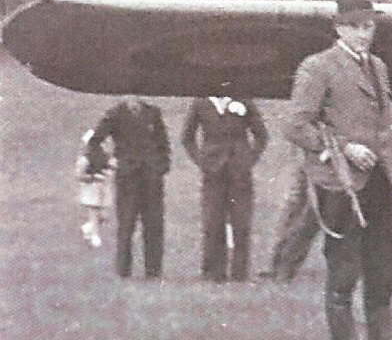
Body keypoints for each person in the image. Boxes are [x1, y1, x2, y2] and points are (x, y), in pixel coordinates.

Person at [285, 0, 392, 340]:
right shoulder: (317, 67)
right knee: (344, 267)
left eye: (369, 26)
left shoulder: (378, 68)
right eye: (355, 26)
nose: (364, 33)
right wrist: (342, 149)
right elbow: (297, 124)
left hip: (378, 181)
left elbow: (386, 129)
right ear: (339, 28)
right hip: (341, 184)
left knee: (386, 266)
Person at [180, 90, 269, 282]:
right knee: (212, 223)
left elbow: (262, 136)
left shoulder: (244, 100)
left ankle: (239, 274)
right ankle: (213, 273)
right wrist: (201, 161)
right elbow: (187, 138)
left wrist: (248, 160)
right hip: (213, 174)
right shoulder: (201, 102)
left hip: (240, 174)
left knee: (241, 224)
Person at [87, 90, 171, 279]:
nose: (133, 99)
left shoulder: (153, 113)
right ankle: (123, 271)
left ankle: (154, 271)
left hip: (152, 177)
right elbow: (94, 143)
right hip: (128, 178)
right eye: (129, 95)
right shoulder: (114, 114)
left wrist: (161, 166)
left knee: (154, 225)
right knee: (126, 224)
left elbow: (163, 143)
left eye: (137, 94)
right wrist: (108, 162)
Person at [264, 158, 321, 282]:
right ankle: (282, 268)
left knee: (301, 213)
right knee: (304, 215)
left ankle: (281, 267)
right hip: (315, 161)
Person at [75, 129, 112, 248]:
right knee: (94, 212)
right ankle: (95, 238)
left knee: (103, 216)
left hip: (102, 188)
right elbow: (79, 175)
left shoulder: (104, 157)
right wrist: (93, 177)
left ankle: (88, 228)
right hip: (91, 188)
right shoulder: (84, 159)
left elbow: (111, 165)